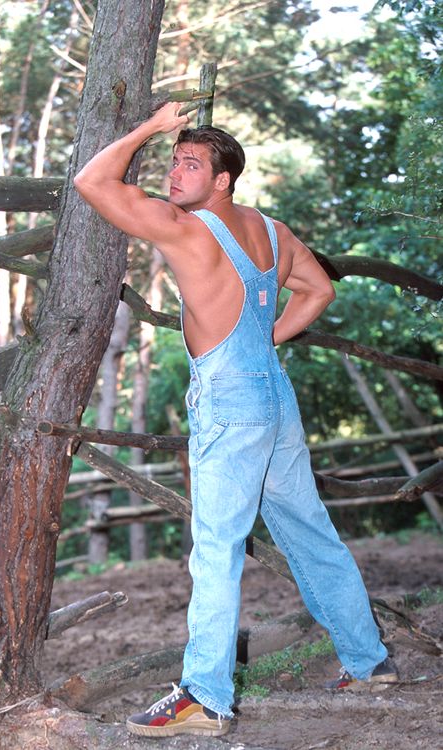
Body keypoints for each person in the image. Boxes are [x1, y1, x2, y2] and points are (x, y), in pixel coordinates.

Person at [74, 102, 397, 738]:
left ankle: (205, 696)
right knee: (311, 531)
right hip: (272, 394)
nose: (174, 172)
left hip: (230, 399)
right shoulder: (272, 232)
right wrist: (265, 341)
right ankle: (369, 661)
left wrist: (151, 127)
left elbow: (91, 181)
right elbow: (320, 291)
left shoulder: (186, 229)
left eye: (190, 164)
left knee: (216, 549)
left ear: (222, 180)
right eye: (173, 161)